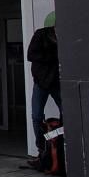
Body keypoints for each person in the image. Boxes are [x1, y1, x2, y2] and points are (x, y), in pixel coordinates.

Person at [28, 13, 61, 157]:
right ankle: (41, 148)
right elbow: (31, 55)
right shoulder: (41, 34)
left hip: (56, 81)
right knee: (37, 115)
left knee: (66, 112)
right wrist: (53, 58)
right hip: (41, 81)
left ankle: (58, 143)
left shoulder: (65, 36)